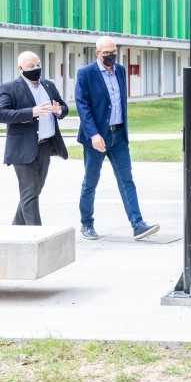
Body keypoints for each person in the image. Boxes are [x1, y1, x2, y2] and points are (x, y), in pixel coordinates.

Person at [76, 36, 159, 240]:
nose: (111, 56)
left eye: (114, 52)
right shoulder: (86, 73)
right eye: (107, 53)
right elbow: (82, 105)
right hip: (97, 137)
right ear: (98, 53)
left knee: (126, 179)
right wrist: (93, 134)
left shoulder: (120, 71)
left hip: (119, 135)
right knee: (91, 181)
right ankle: (87, 223)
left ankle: (138, 224)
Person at [0, 51, 68, 226]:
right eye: (31, 66)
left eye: (38, 64)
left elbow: (63, 107)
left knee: (34, 191)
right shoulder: (9, 88)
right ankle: (36, 234)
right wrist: (31, 112)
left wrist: (59, 110)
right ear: (20, 68)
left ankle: (17, 228)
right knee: (30, 192)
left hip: (45, 146)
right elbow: (1, 114)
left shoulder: (48, 85)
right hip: (23, 148)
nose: (36, 68)